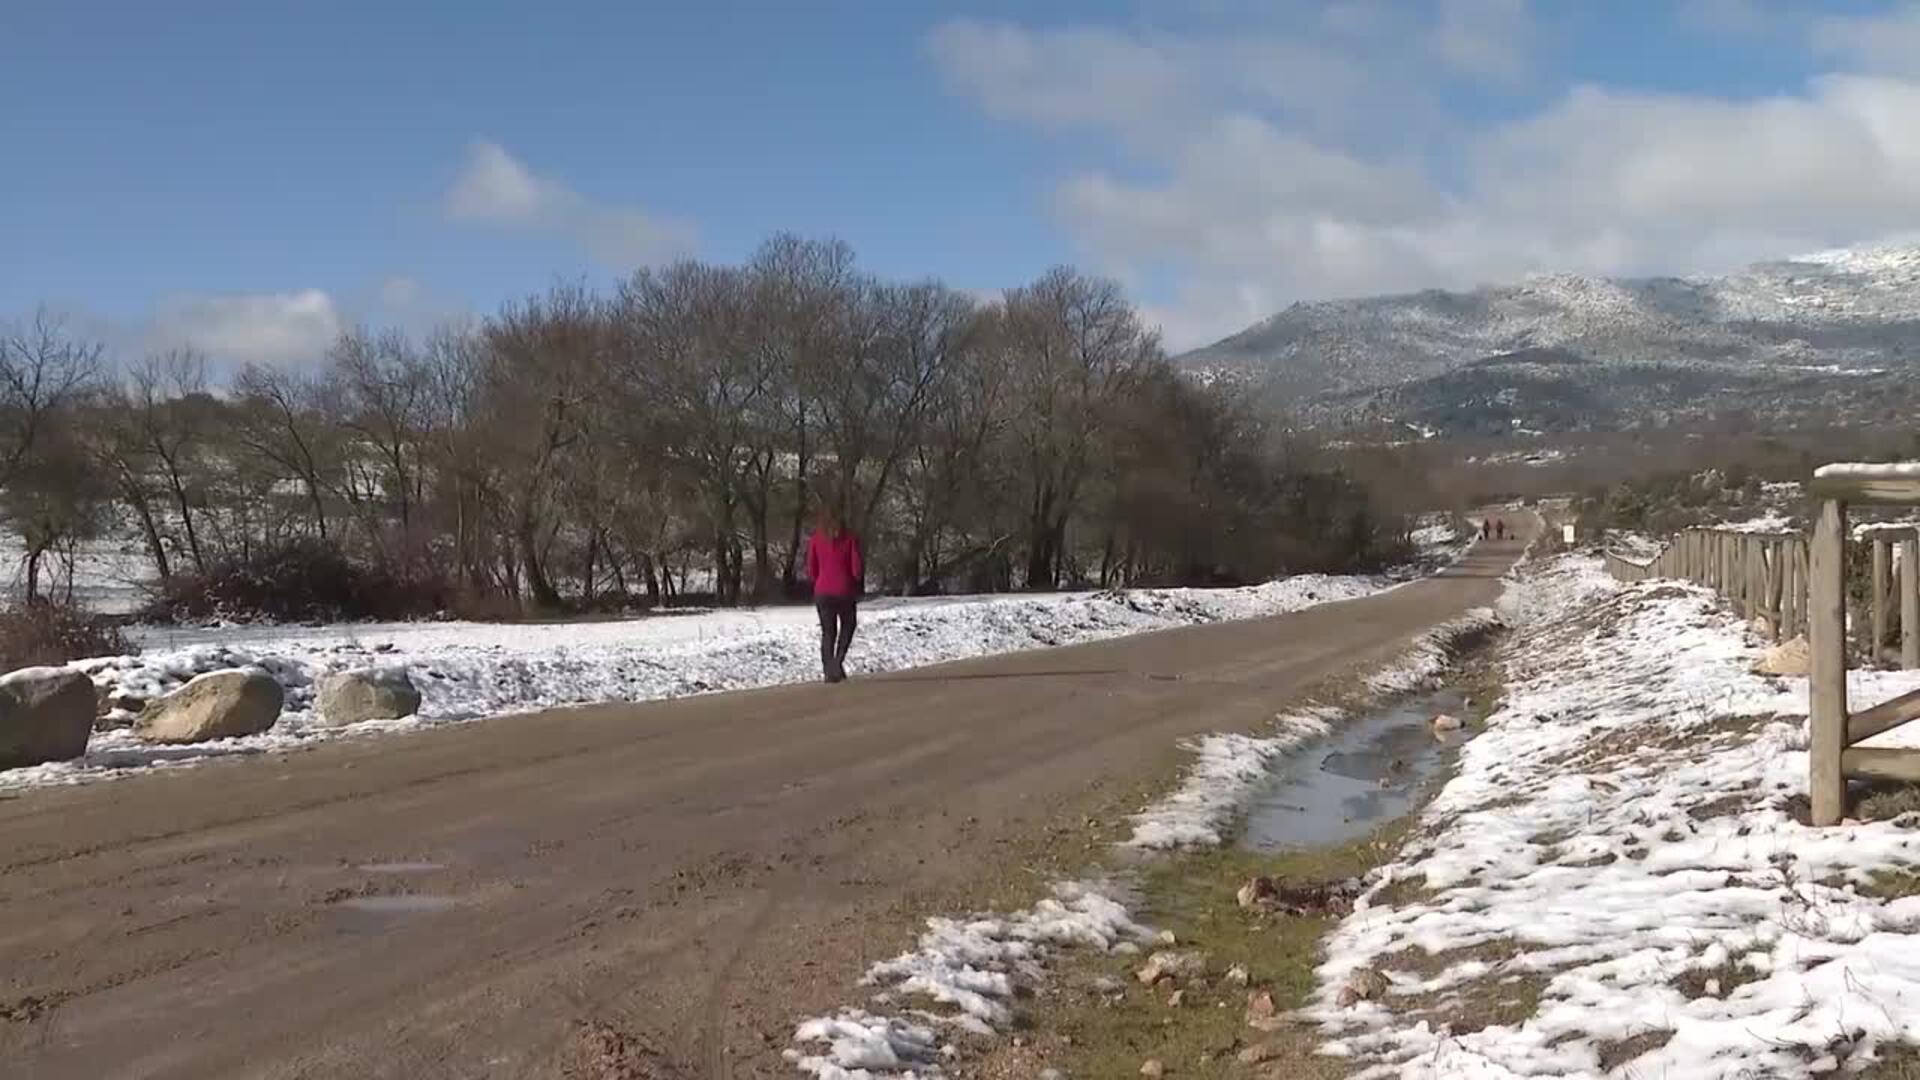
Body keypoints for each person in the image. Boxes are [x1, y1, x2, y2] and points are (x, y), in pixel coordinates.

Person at [806, 503, 864, 683]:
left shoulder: (815, 539)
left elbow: (811, 569)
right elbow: (857, 569)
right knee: (848, 625)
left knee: (828, 631)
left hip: (823, 591)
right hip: (844, 591)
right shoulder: (850, 539)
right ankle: (837, 662)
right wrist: (854, 580)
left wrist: (820, 579)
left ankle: (828, 669)